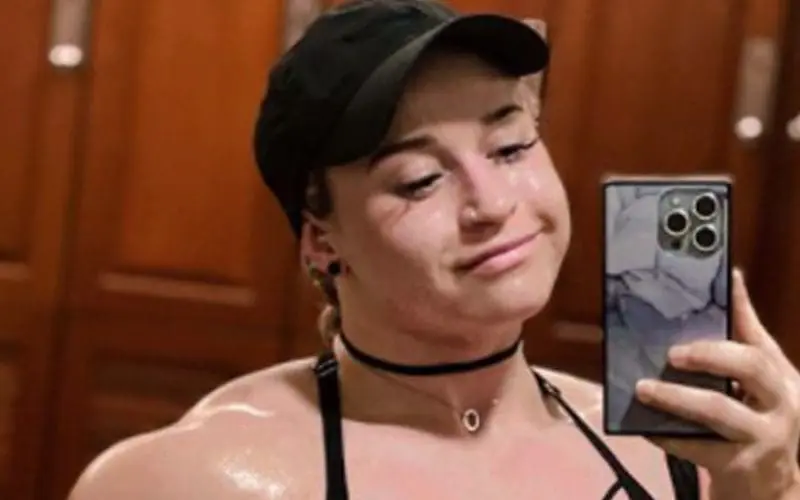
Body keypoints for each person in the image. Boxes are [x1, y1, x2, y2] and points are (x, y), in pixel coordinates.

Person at [69, 1, 800, 499]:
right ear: (322, 240)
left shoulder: (689, 457)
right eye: (420, 180)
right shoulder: (193, 479)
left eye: (511, 146)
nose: (493, 204)